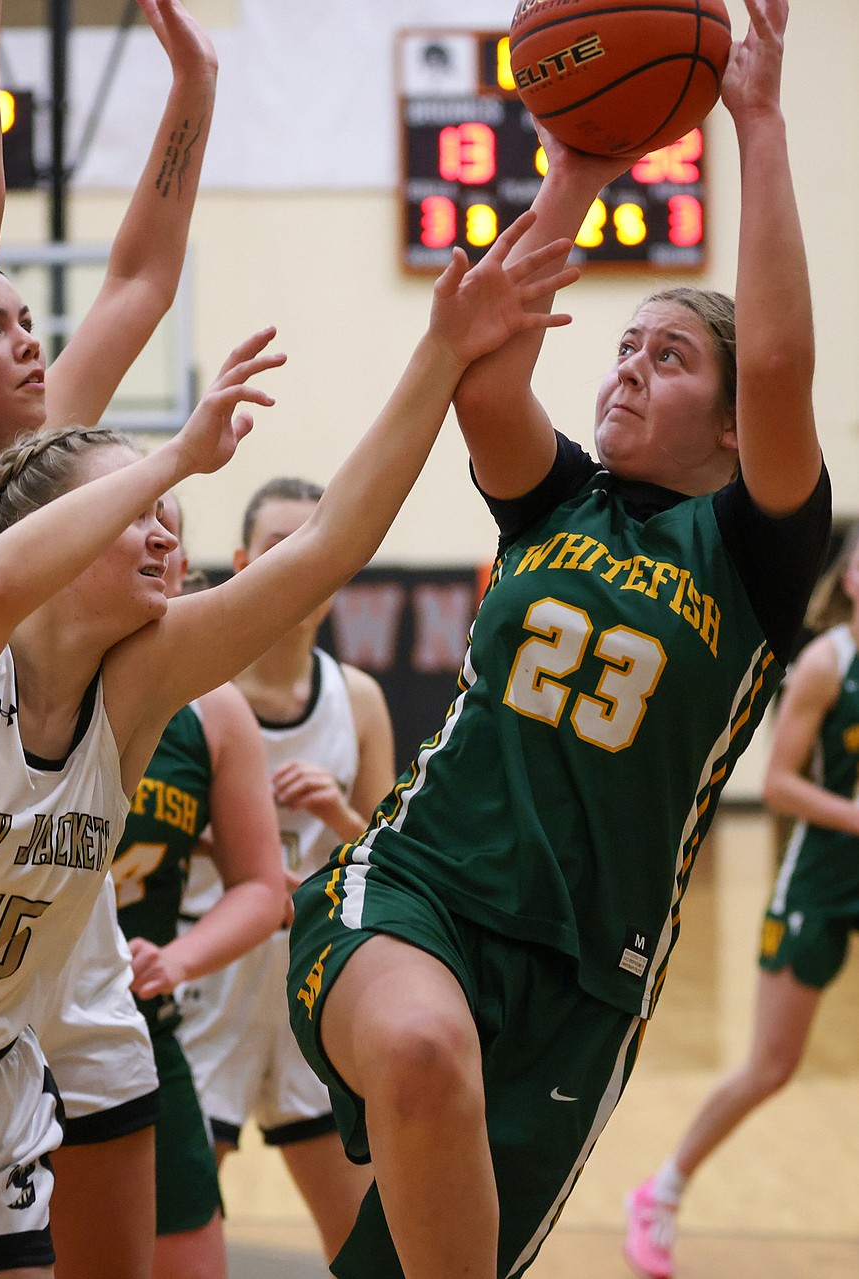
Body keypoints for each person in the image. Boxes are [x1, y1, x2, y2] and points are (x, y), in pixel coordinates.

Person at [0, 191, 584, 1278]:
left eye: (168, 510)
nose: (169, 526)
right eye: (136, 510)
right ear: (55, 540)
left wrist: (441, 352)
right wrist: (172, 457)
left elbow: (331, 545)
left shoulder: (135, 697)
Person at [285, 2, 831, 1277]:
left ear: (737, 421)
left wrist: (759, 127)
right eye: (623, 346)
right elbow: (483, 373)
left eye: (673, 356)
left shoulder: (752, 553)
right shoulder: (557, 497)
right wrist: (574, 170)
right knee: (421, 1050)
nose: (629, 368)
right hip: (420, 890)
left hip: (587, 982)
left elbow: (790, 363)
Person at [0, 0, 224, 1273]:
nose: (32, 340)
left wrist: (196, 82)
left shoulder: (48, 460)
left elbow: (139, 277)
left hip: (64, 932)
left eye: (29, 325)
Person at [622, 524, 859, 1279]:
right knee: (772, 1063)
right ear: (850, 578)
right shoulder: (827, 662)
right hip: (822, 877)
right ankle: (661, 1192)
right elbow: (781, 783)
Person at [176, 476, 393, 1261]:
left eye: (318, 544)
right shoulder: (192, 690)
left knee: (370, 1251)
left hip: (312, 986)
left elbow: (387, 859)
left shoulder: (358, 698)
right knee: (168, 1247)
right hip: (205, 984)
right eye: (280, 545)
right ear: (240, 562)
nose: (303, 562)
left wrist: (337, 817)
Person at [109, 492, 285, 1279]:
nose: (154, 541)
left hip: (138, 1025)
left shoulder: (215, 711)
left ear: (182, 566)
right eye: (129, 520)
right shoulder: (27, 671)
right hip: (6, 1030)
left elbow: (263, 886)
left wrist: (177, 959)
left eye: (169, 531)